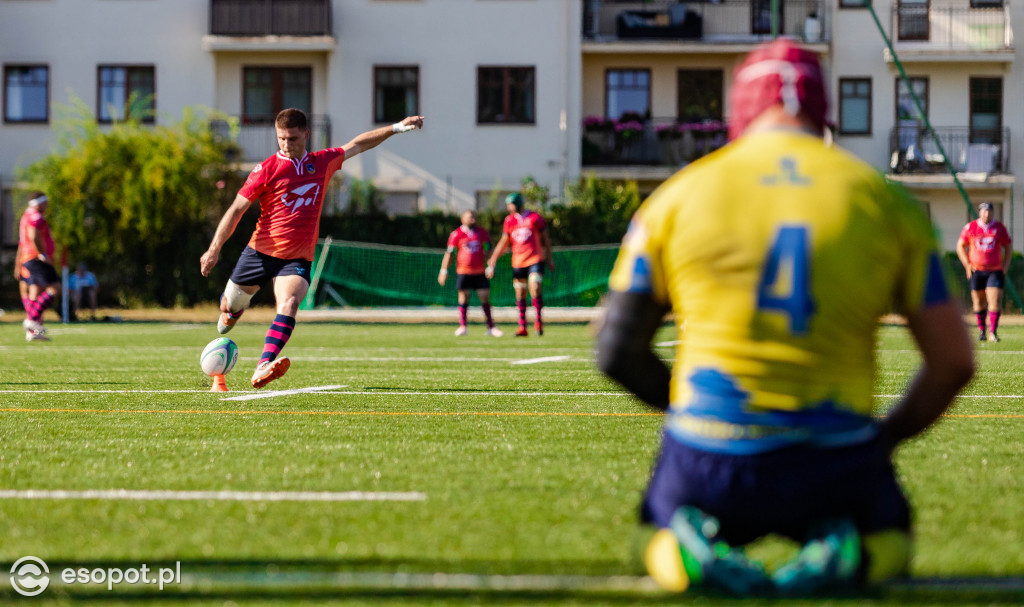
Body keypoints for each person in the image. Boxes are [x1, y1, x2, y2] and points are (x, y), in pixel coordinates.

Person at [596, 39, 974, 596]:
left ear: (738, 110)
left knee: (649, 535)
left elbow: (616, 351)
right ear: (823, 110)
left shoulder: (677, 197)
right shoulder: (887, 203)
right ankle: (851, 554)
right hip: (835, 456)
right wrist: (882, 440)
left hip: (710, 453)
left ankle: (683, 553)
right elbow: (953, 362)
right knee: (893, 538)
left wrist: (696, 410)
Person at [200, 108, 424, 388]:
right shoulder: (265, 169)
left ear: (306, 134)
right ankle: (234, 310)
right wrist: (214, 248)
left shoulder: (322, 162)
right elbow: (236, 210)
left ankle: (263, 365)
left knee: (290, 303)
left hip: (296, 258)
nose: (286, 144)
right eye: (281, 138)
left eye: (292, 138)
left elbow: (359, 144)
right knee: (227, 308)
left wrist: (397, 127)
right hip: (259, 252)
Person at [485, 192, 554, 337]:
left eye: (510, 204)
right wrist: (494, 258)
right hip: (518, 262)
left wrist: (550, 258)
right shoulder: (509, 221)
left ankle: (538, 322)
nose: (509, 207)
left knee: (534, 286)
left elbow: (546, 239)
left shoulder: (535, 218)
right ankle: (522, 326)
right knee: (520, 292)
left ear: (517, 203)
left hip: (535, 259)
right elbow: (505, 241)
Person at [439, 210, 502, 337]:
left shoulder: (482, 233)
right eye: (469, 217)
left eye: (474, 217)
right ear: (462, 219)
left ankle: (491, 327)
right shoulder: (456, 234)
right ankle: (462, 326)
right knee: (463, 298)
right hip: (463, 271)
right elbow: (449, 253)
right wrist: (443, 270)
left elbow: (489, 250)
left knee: (485, 297)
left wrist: (491, 266)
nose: (472, 219)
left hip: (479, 271)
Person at [956, 202, 1011, 342]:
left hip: (995, 270)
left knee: (994, 300)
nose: (987, 214)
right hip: (976, 271)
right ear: (979, 213)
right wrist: (967, 265)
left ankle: (993, 332)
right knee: (978, 301)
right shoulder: (971, 227)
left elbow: (1008, 246)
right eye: (984, 211)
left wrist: (1005, 266)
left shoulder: (999, 228)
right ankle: (982, 331)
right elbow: (960, 246)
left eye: (989, 211)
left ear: (993, 212)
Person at [14, 191, 60, 342]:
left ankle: (33, 330)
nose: (47, 206)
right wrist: (43, 255)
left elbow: (22, 242)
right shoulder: (35, 216)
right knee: (55, 288)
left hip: (29, 258)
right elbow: (33, 236)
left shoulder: (26, 216)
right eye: (45, 203)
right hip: (35, 258)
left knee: (36, 291)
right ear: (38, 203)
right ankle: (32, 321)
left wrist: (18, 263)